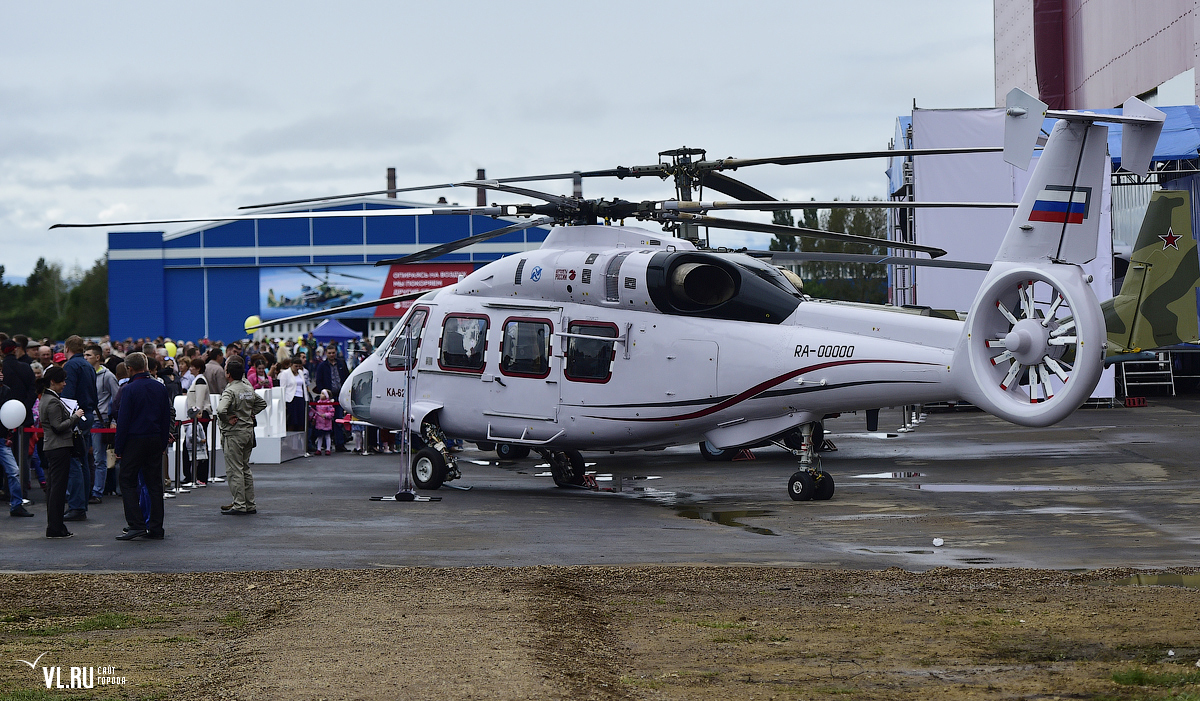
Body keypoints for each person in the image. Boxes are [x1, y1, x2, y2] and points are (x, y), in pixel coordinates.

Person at [113, 352, 172, 541]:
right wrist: (163, 442)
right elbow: (166, 417)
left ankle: (136, 524)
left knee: (127, 481)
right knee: (155, 484)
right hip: (155, 438)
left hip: (134, 439)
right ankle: (156, 527)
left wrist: (118, 447)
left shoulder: (129, 389)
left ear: (129, 368)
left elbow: (124, 420)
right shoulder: (159, 387)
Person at [217, 357, 266, 515]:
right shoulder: (248, 388)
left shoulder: (230, 390)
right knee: (245, 468)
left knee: (234, 469)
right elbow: (261, 403)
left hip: (234, 433)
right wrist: (250, 413)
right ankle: (249, 503)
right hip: (248, 432)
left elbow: (220, 410)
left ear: (229, 374)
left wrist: (227, 419)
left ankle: (239, 504)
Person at [39, 366, 83, 537]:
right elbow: (58, 427)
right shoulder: (52, 401)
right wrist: (75, 416)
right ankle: (55, 527)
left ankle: (55, 525)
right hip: (58, 447)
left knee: (54, 488)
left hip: (53, 447)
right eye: (62, 381)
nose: (64, 384)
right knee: (57, 489)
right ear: (52, 382)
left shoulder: (48, 398)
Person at [60, 335, 97, 521]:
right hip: (87, 414)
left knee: (74, 461)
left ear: (67, 348)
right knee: (82, 460)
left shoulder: (70, 366)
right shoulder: (88, 366)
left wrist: (67, 418)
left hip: (76, 415)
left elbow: (67, 396)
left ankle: (76, 505)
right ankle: (81, 504)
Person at [87, 344, 119, 503]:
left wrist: (113, 420)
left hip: (100, 420)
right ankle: (90, 489)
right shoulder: (86, 373)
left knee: (99, 457)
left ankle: (97, 492)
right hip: (85, 419)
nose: (85, 358)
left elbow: (117, 398)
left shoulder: (108, 376)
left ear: (97, 357)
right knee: (86, 457)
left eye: (88, 355)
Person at [310, 390, 336, 455]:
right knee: (320, 436)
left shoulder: (329, 404)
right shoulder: (318, 403)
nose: (321, 395)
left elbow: (331, 413)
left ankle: (328, 449)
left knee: (327, 436)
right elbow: (316, 412)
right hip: (319, 423)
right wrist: (314, 419)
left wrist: (325, 415)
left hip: (326, 423)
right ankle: (318, 449)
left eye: (323, 394)